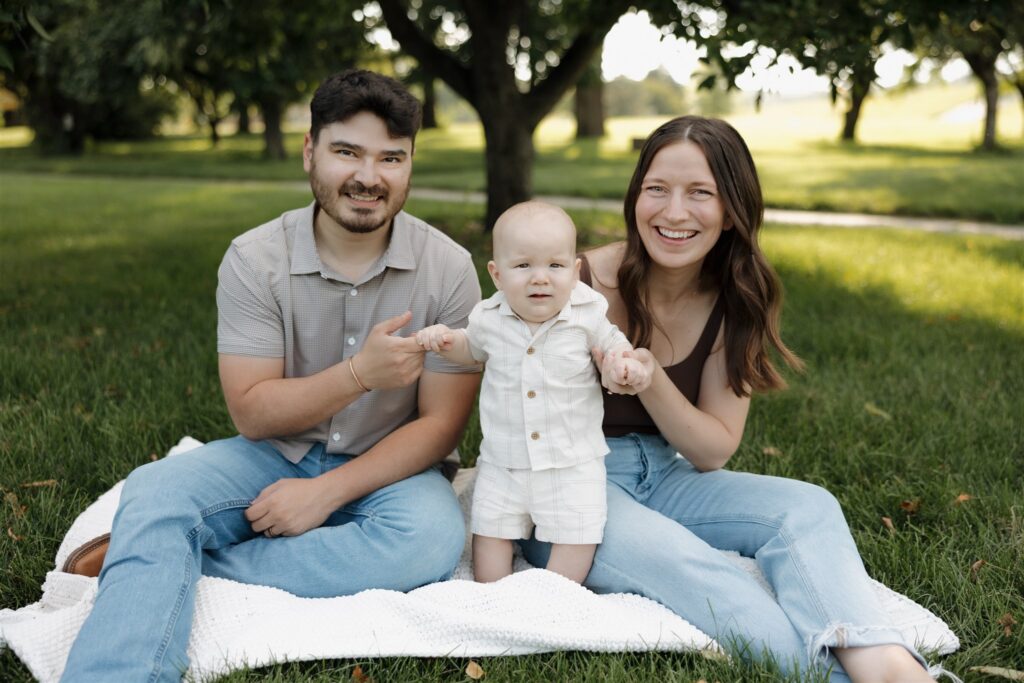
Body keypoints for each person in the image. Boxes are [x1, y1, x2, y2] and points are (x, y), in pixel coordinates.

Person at [60, 70, 482, 682]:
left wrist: (326, 493)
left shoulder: (447, 267)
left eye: (392, 157)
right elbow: (253, 412)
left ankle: (183, 564)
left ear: (411, 163)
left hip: (393, 467)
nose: (370, 176)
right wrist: (360, 374)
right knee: (155, 493)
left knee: (430, 540)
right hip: (275, 453)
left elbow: (440, 425)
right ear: (310, 151)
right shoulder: (255, 258)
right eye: (347, 152)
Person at [519, 116, 933, 682]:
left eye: (701, 193)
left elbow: (713, 450)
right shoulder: (573, 282)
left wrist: (651, 379)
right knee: (699, 569)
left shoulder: (734, 300)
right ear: (636, 194)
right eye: (657, 189)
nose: (673, 212)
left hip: (664, 476)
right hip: (569, 494)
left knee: (809, 507)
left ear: (733, 209)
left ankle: (881, 660)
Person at [415, 201, 650, 584]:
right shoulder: (488, 318)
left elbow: (614, 347)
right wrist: (445, 341)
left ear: (575, 273)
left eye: (555, 266)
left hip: (571, 462)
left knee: (578, 534)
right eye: (523, 266)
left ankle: (552, 599)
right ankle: (495, 595)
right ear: (497, 274)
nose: (540, 278)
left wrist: (624, 364)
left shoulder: (587, 314)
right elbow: (470, 348)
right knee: (490, 533)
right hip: (503, 462)